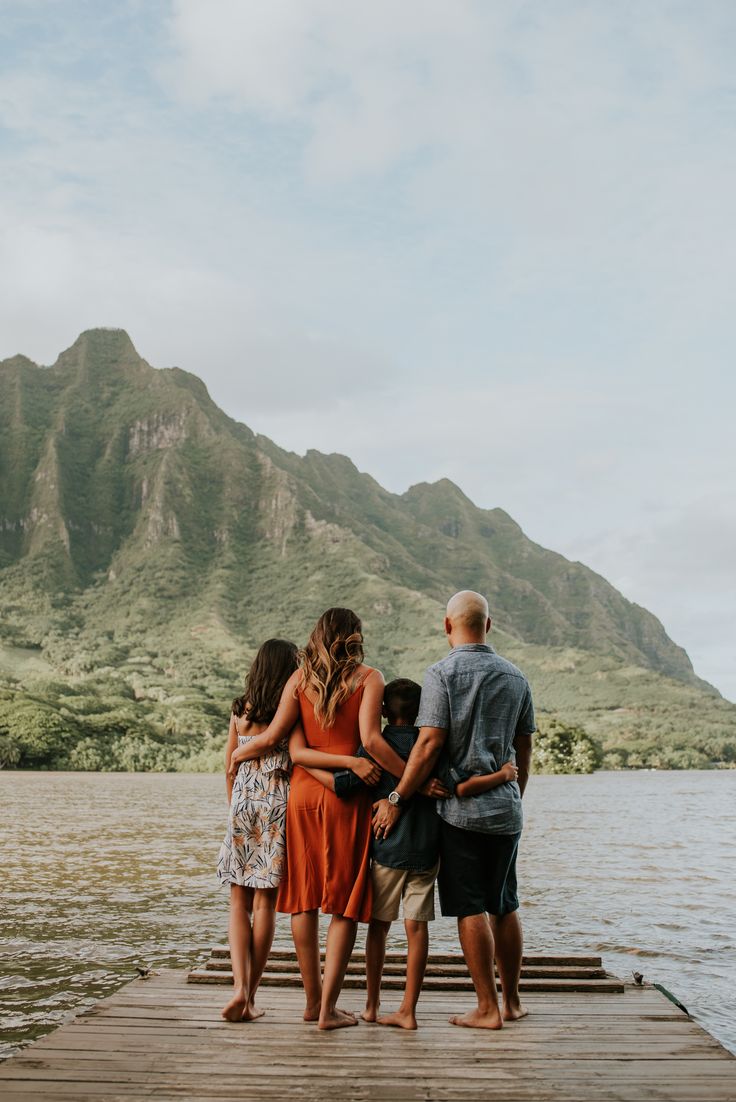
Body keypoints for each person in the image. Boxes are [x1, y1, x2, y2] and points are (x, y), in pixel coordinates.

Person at [228, 607, 406, 1030]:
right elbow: (371, 741)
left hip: (304, 796)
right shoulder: (369, 678)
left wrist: (236, 755)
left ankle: (311, 1003)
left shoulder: (299, 680)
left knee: (304, 900)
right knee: (343, 904)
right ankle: (328, 1009)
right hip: (347, 799)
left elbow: (284, 746)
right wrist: (410, 776)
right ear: (354, 636)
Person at [372, 590, 535, 1031]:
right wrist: (514, 795)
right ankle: (513, 1001)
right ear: (490, 624)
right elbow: (524, 750)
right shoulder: (518, 678)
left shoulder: (442, 674)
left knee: (470, 908)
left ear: (447, 626)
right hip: (506, 812)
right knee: (505, 903)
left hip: (460, 814)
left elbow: (428, 744)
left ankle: (487, 1008)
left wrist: (396, 798)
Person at [310, 678, 450, 1031]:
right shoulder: (432, 746)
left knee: (378, 929)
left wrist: (306, 765)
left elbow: (343, 785)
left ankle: (372, 1006)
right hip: (426, 850)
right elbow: (447, 784)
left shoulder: (376, 746)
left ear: (383, 711)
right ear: (421, 712)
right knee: (417, 929)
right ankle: (408, 1010)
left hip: (387, 849)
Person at [216, 638, 298, 1022]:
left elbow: (228, 767)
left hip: (241, 805)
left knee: (238, 903)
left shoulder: (240, 709)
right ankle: (249, 997)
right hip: (275, 804)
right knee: (265, 904)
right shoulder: (288, 709)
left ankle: (237, 988)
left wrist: (235, 805)